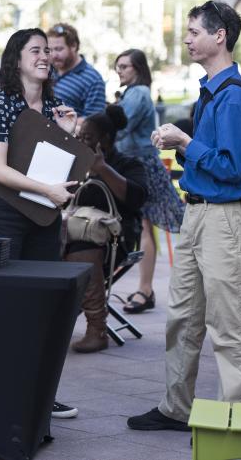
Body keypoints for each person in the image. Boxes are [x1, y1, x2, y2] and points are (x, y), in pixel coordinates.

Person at [128, 0, 241, 432]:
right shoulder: (211, 92)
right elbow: (215, 161)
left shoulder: (233, 96)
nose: (186, 39)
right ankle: (176, 408)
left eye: (193, 32)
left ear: (219, 36)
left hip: (224, 219)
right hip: (199, 215)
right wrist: (181, 144)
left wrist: (184, 141)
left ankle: (230, 419)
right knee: (182, 317)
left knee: (229, 325)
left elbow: (235, 167)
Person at [0, 27, 79, 418]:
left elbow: (57, 166)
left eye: (48, 51)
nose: (45, 56)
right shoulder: (1, 104)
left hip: (42, 217)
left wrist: (66, 135)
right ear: (16, 59)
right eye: (36, 50)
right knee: (1, 305)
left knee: (41, 305)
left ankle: (39, 394)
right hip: (2, 215)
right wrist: (47, 191)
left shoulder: (57, 107)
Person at [65, 105, 147, 353]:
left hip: (116, 238)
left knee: (83, 251)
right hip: (73, 231)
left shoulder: (128, 163)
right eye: (80, 137)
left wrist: (101, 169)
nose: (81, 142)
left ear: (106, 140)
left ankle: (97, 330)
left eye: (87, 138)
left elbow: (137, 198)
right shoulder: (74, 163)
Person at [113, 49, 184, 314]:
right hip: (135, 165)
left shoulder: (139, 93)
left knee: (146, 226)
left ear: (138, 69)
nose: (119, 71)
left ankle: (145, 289)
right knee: (144, 226)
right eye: (117, 66)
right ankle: (145, 289)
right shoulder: (133, 93)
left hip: (142, 167)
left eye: (124, 66)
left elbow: (120, 126)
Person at [47, 23, 106, 123]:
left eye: (58, 49)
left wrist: (61, 123)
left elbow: (94, 122)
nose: (53, 55)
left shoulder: (93, 79)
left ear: (74, 46)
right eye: (50, 50)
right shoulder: (48, 70)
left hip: (65, 136)